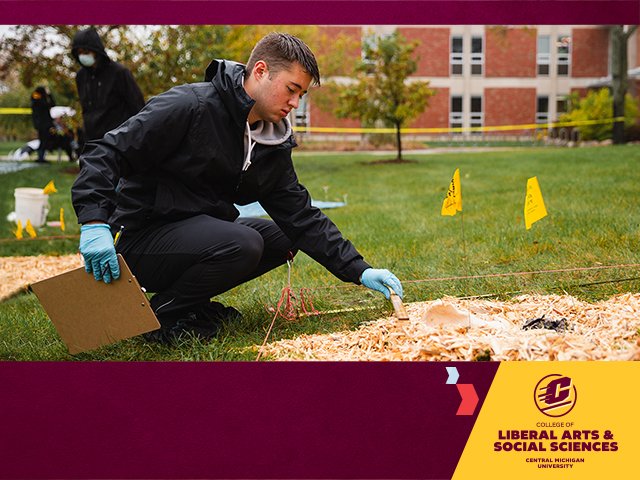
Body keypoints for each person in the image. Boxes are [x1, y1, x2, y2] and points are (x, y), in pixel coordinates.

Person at [72, 32, 403, 343]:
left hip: (197, 235)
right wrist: (94, 222)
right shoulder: (190, 105)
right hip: (143, 238)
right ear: (260, 71)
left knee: (285, 237)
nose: (295, 103)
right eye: (291, 89)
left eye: (301, 94)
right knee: (243, 243)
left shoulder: (270, 141)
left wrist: (360, 270)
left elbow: (301, 216)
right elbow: (106, 152)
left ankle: (190, 303)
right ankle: (162, 318)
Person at [71, 27, 145, 143]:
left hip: (118, 139)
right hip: (92, 140)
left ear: (95, 50)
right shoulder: (81, 77)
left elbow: (137, 105)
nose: (82, 56)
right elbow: (85, 109)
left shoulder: (119, 73)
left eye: (86, 52)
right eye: (79, 53)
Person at [30, 86, 55, 163]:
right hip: (44, 124)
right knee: (44, 140)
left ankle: (41, 157)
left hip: (40, 124)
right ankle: (41, 158)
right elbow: (52, 104)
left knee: (43, 140)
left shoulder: (35, 99)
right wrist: (49, 95)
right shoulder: (40, 101)